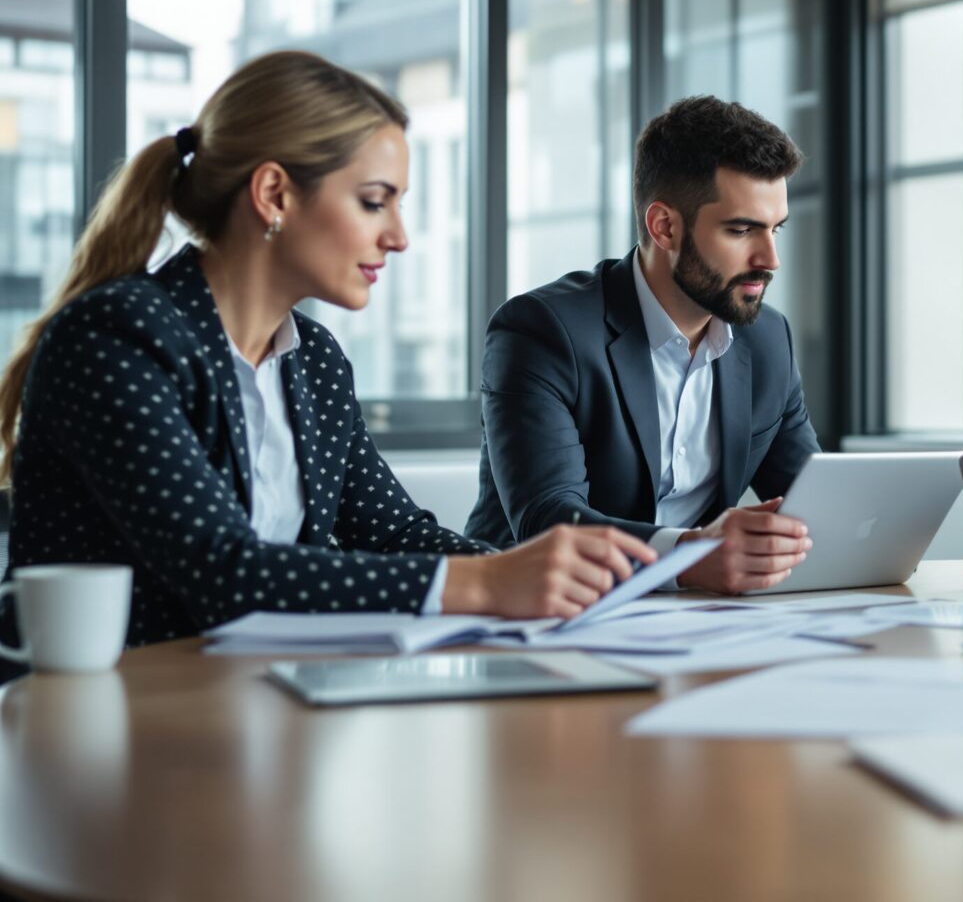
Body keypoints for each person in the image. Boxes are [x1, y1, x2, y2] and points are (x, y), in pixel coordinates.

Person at [0, 51, 653, 653]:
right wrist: (485, 585)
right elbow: (222, 570)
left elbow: (394, 533)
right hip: (96, 711)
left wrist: (554, 579)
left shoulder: (313, 358)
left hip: (253, 701)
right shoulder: (117, 337)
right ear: (274, 195)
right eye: (374, 203)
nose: (398, 237)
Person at [465, 96, 819, 594]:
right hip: (534, 609)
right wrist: (690, 556)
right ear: (664, 227)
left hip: (693, 616)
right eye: (742, 230)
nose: (770, 258)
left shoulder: (767, 339)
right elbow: (548, 520)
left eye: (775, 228)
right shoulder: (543, 330)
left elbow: (816, 504)